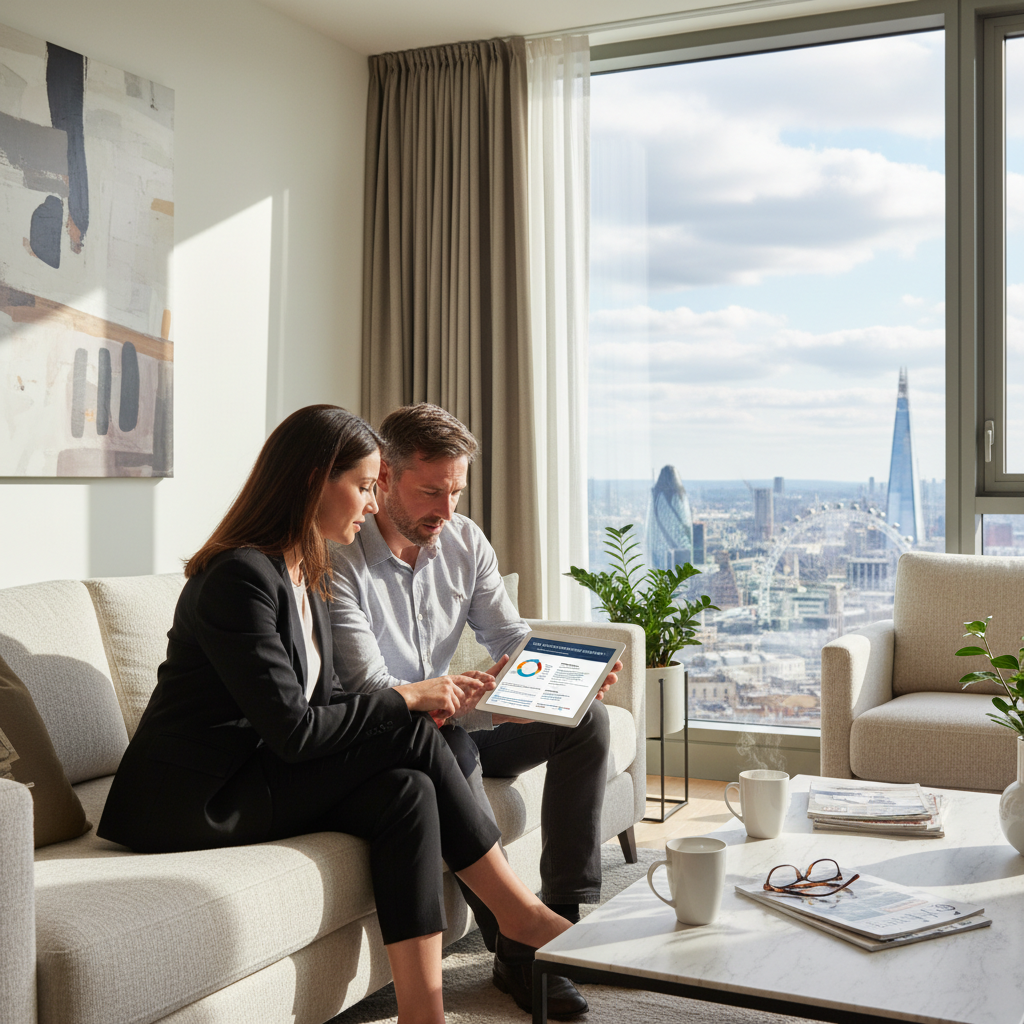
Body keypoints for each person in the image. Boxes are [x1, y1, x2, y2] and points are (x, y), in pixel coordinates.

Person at [96, 405, 573, 1024]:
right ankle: (519, 915)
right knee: (409, 729)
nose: (373, 504)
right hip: (190, 801)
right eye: (366, 486)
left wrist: (452, 698)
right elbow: (294, 731)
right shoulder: (237, 577)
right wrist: (409, 696)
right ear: (316, 479)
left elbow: (323, 707)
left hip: (259, 770)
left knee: (405, 791)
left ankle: (421, 1013)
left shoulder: (306, 569)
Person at [329, 403, 620, 1018]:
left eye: (455, 491)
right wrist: (490, 709)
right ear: (383, 479)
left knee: (585, 723)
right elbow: (373, 689)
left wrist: (560, 683)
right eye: (431, 491)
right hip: (394, 732)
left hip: (459, 718)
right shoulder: (342, 559)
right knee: (451, 745)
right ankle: (517, 953)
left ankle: (557, 922)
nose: (446, 509)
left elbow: (511, 640)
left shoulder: (463, 541)